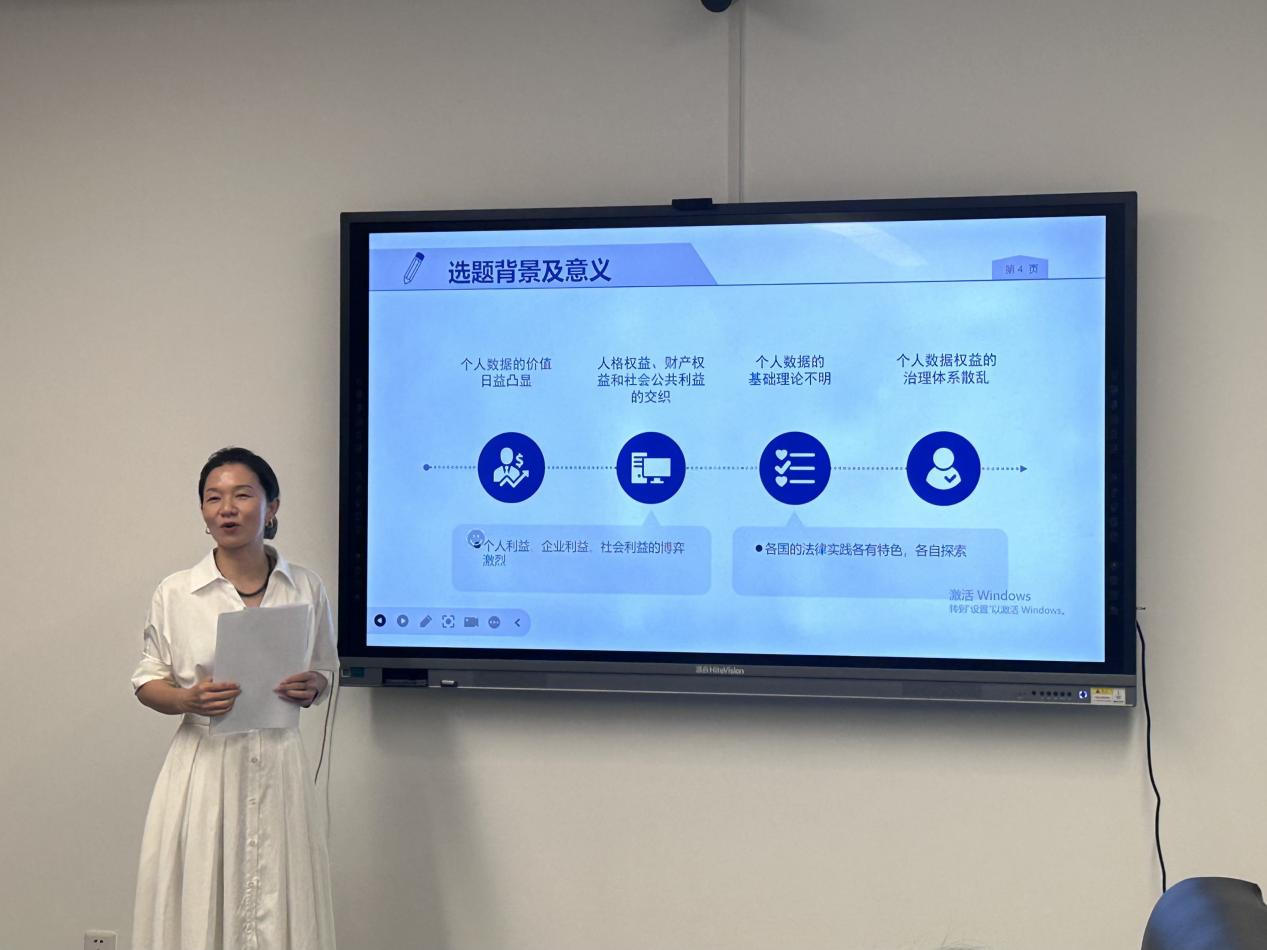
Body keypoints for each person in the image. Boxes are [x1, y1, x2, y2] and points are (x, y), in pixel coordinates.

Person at [130, 447, 338, 950]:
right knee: (200, 895)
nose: (227, 508)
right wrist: (188, 699)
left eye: (242, 495)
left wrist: (314, 686)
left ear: (271, 508)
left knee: (280, 894)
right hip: (204, 766)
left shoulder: (305, 586)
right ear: (203, 512)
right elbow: (147, 681)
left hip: (280, 764)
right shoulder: (177, 592)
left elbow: (325, 669)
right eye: (213, 497)